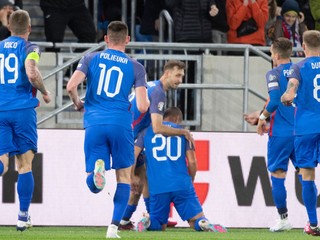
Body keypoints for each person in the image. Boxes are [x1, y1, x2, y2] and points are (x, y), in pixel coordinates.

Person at [66, 21, 150, 239]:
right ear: (128, 40)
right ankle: (113, 228)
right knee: (123, 177)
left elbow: (70, 86)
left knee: (94, 185)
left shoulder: (90, 58)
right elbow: (142, 106)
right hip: (121, 124)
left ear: (106, 39)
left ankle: (97, 174)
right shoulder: (136, 67)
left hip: (94, 122)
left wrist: (77, 103)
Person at [119, 60, 193, 230]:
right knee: (132, 182)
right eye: (178, 75)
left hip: (125, 135)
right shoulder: (158, 92)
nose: (180, 80)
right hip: (126, 139)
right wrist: (183, 132)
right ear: (167, 73)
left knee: (142, 177)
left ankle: (150, 218)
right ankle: (131, 220)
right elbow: (158, 127)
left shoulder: (151, 86)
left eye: (182, 76)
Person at [134, 107, 227, 233]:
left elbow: (133, 156)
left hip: (158, 186)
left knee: (159, 225)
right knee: (195, 220)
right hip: (181, 184)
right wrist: (191, 178)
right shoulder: (184, 133)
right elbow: (193, 162)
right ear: (177, 118)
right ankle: (203, 222)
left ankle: (148, 222)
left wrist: (131, 177)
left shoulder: (146, 132)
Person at [0, 9, 51, 231]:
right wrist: (45, 91)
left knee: (2, 162)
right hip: (22, 110)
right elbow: (31, 72)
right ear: (29, 28)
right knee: (25, 164)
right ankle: (23, 217)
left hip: (0, 110)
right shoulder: (30, 48)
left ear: (9, 27)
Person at [281, 30, 320, 236]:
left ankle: (313, 224)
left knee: (307, 175)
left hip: (306, 128)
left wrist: (288, 94)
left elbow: (292, 85)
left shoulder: (298, 66)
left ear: (303, 46)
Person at [257, 37, 297, 232]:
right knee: (307, 175)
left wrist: (262, 118)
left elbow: (274, 101)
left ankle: (283, 219)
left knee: (278, 175)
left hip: (280, 133)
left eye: (271, 52)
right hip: (303, 131)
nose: (271, 56)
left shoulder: (274, 73)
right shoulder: (300, 71)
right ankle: (314, 221)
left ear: (277, 54)